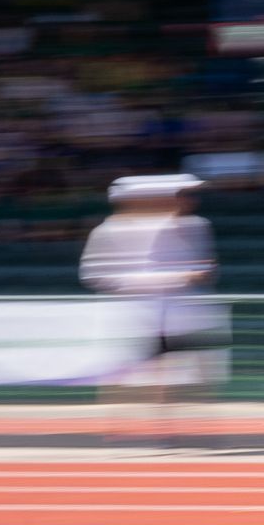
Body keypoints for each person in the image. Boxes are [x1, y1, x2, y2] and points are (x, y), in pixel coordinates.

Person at [79, 173, 225, 426]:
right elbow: (95, 274)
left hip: (184, 315)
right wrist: (175, 278)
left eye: (188, 195)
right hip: (136, 316)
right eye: (181, 195)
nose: (189, 201)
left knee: (195, 375)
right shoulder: (110, 231)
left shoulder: (196, 226)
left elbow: (205, 267)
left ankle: (187, 427)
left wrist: (196, 275)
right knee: (129, 379)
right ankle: (122, 429)